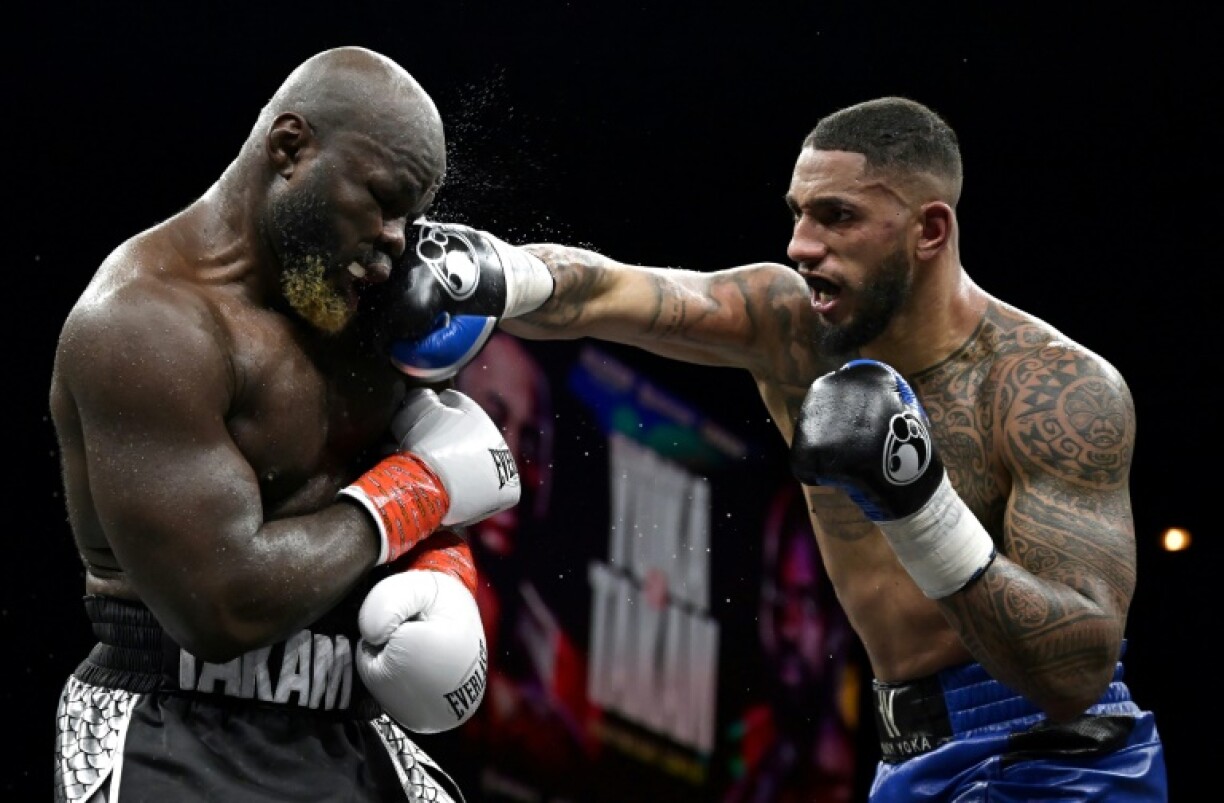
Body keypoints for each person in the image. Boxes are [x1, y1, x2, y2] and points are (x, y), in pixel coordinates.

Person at [389, 97, 1169, 800]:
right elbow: (613, 290)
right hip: (905, 760)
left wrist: (920, 504)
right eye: (798, 214)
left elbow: (1075, 673)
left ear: (930, 230)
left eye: (837, 217)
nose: (802, 245)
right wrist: (490, 271)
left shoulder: (1052, 389)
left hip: (1057, 760)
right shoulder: (792, 329)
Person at [48, 46, 524, 803]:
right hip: (176, 728)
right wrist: (418, 491)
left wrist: (446, 572)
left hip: (350, 723)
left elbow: (428, 471)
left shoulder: (367, 295)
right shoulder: (145, 324)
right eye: (381, 200)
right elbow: (223, 606)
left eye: (411, 214)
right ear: (290, 147)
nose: (398, 238)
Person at [724, 482, 856, 803]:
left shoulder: (866, 782)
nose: (787, 626)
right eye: (778, 596)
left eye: (806, 601)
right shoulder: (755, 757)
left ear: (839, 620)